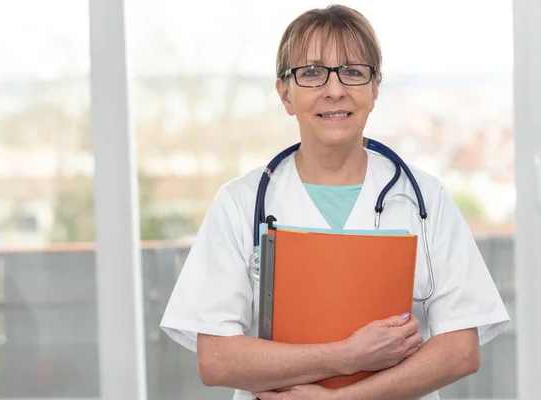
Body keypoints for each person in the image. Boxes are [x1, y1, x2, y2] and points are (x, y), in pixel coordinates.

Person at [160, 4, 510, 400]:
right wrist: (346, 356)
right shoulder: (239, 203)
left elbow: (461, 351)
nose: (334, 89)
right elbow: (218, 360)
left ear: (375, 89)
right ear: (285, 93)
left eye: (353, 72)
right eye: (311, 73)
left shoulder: (424, 198)